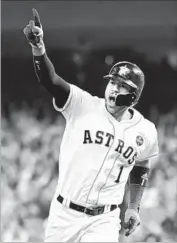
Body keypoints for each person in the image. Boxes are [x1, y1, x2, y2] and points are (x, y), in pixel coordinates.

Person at [23, 9, 159, 242]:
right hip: (63, 215)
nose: (114, 88)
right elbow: (50, 80)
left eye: (122, 85)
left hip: (103, 220)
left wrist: (134, 206)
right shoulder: (82, 104)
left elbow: (142, 162)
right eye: (112, 82)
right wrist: (39, 48)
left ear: (134, 96)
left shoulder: (145, 131)